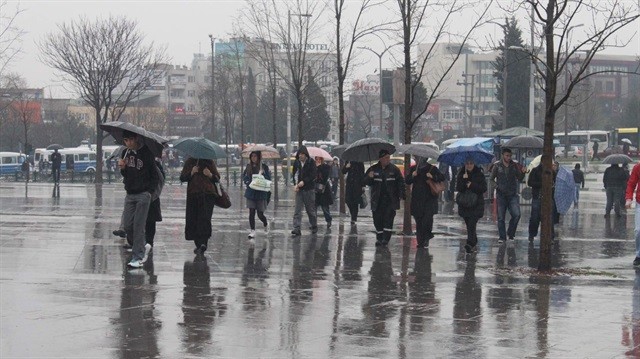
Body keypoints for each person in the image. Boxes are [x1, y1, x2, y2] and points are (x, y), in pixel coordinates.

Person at [118, 130, 159, 268]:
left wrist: (149, 192)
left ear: (136, 139)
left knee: (139, 225)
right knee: (128, 225)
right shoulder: (126, 153)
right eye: (125, 141)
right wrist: (123, 168)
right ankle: (142, 246)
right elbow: (126, 174)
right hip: (130, 193)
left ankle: (138, 257)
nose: (127, 143)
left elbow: (155, 176)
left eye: (129, 140)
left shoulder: (147, 154)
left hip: (143, 194)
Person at [364, 149, 405, 246]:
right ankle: (379, 238)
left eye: (389, 157)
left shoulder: (394, 169)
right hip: (377, 200)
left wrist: (402, 195)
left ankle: (386, 239)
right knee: (377, 220)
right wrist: (369, 177)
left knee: (388, 219)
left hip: (390, 200)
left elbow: (400, 182)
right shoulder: (373, 169)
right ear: (381, 158)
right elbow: (365, 182)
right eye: (386, 158)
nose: (388, 159)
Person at [180, 156, 220, 254]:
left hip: (208, 195)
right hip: (193, 195)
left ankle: (203, 243)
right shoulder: (190, 162)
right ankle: (198, 244)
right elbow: (182, 178)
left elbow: (217, 178)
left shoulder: (209, 162)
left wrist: (210, 175)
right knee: (194, 219)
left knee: (205, 218)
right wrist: (192, 172)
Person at [405, 157, 444, 248]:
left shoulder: (432, 168)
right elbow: (407, 181)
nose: (418, 160)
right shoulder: (414, 169)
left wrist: (433, 176)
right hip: (417, 200)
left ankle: (426, 237)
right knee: (419, 221)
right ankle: (420, 241)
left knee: (427, 220)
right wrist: (412, 176)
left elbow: (442, 177)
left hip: (429, 200)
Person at [490, 147, 526, 243]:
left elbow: (519, 178)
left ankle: (511, 233)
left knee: (516, 215)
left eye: (510, 156)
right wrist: (496, 186)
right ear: (503, 155)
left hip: (512, 194)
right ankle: (502, 237)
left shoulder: (514, 165)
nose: (509, 157)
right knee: (501, 217)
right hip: (501, 195)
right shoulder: (497, 166)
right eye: (507, 156)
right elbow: (491, 179)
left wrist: (522, 172)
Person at [456, 158, 487, 253]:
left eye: (471, 163)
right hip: (465, 204)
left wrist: (472, 185)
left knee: (472, 223)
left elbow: (483, 188)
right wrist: (464, 181)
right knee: (469, 224)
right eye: (467, 163)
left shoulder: (479, 174)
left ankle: (470, 243)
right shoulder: (461, 174)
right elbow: (459, 188)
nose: (469, 165)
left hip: (476, 204)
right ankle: (474, 240)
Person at [527, 155, 558, 242]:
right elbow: (530, 182)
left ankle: (550, 236)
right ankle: (532, 234)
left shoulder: (552, 172)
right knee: (535, 217)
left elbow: (555, 183)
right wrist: (542, 183)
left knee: (549, 217)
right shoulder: (535, 171)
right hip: (537, 197)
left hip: (548, 198)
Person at [242, 151, 271, 239]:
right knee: (251, 212)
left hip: (261, 193)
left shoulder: (264, 167)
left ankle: (265, 223)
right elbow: (245, 177)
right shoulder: (248, 167)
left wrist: (263, 174)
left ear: (259, 157)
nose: (253, 158)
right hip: (251, 192)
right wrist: (247, 182)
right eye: (252, 156)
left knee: (260, 214)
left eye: (255, 156)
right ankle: (252, 230)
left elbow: (269, 179)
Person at [290, 146, 318, 236]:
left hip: (309, 189)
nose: (300, 156)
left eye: (302, 154)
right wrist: (295, 184)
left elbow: (313, 175)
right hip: (299, 190)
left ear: (306, 155)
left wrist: (304, 181)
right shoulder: (297, 163)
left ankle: (314, 225)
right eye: (299, 154)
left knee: (310, 210)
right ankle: (296, 228)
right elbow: (294, 174)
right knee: (297, 210)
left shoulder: (311, 162)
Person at [624, 162, 640, 266]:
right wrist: (628, 198)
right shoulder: (638, 167)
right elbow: (631, 183)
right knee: (638, 230)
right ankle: (639, 255)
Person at [315, 156, 333, 227]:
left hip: (324, 190)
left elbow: (325, 177)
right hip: (315, 189)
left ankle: (328, 220)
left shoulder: (326, 167)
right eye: (316, 159)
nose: (318, 161)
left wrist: (319, 167)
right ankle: (313, 222)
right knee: (314, 207)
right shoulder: (313, 167)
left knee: (325, 208)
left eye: (319, 159)